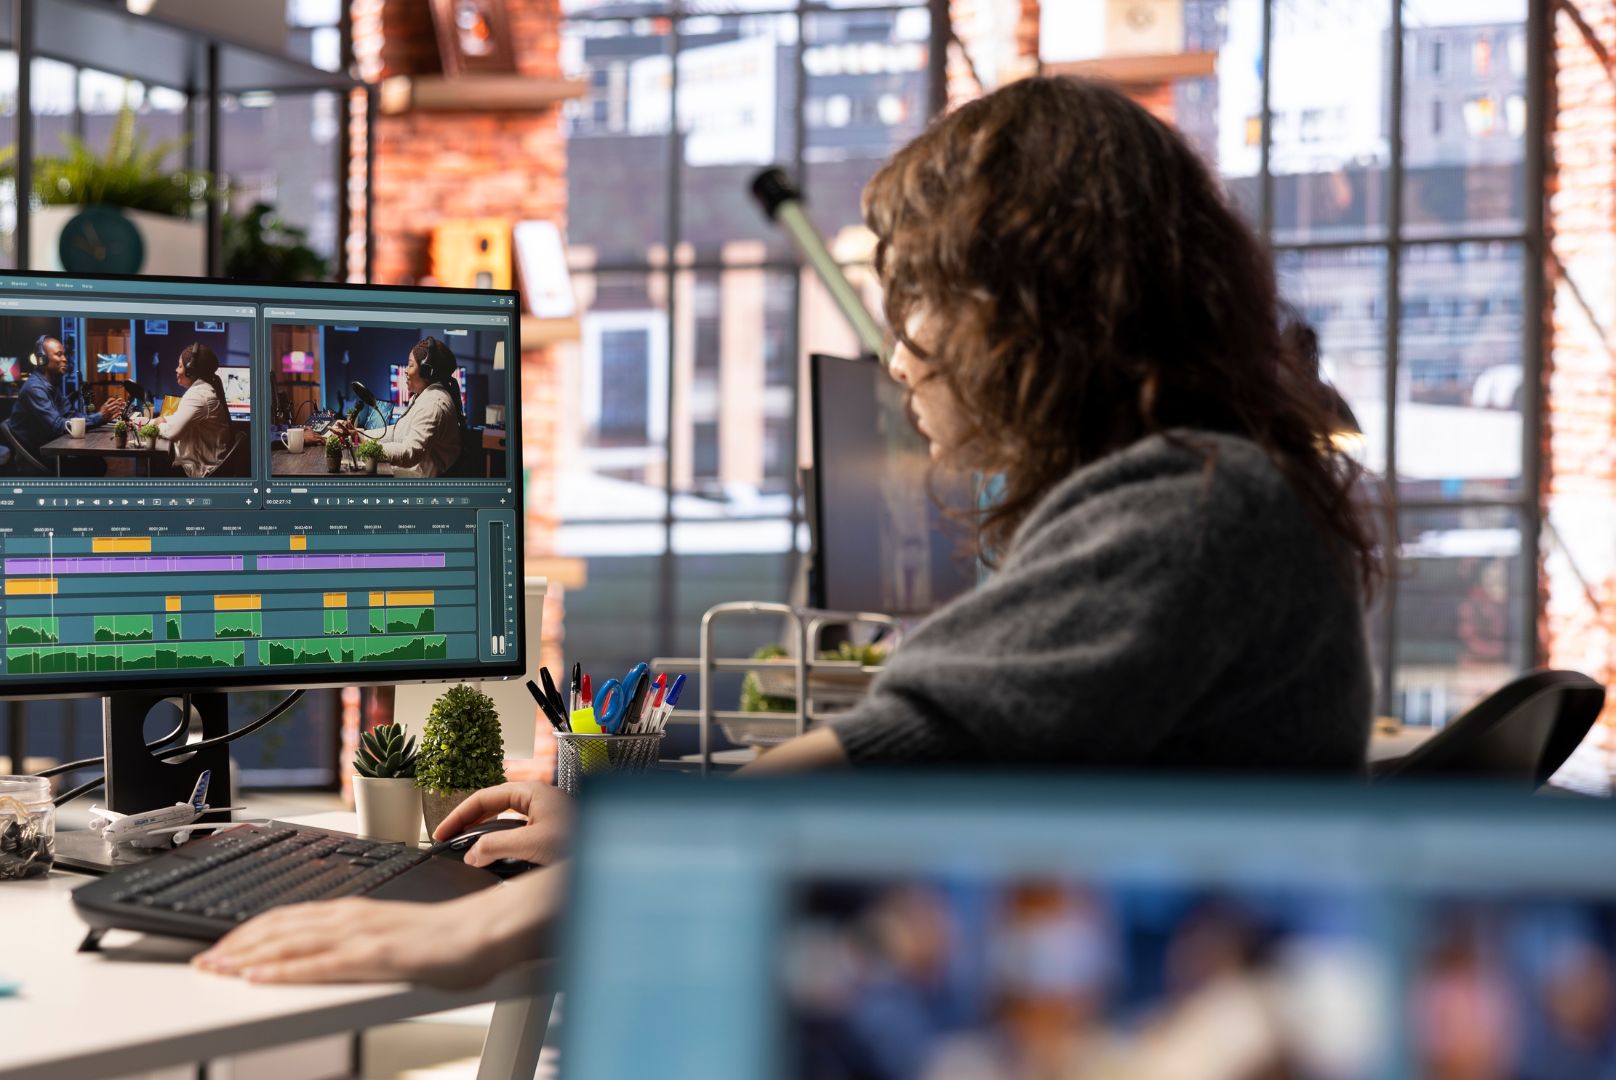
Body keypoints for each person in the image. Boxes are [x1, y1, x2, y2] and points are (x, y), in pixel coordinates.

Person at [196, 76, 1381, 984]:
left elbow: (911, 758)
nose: (902, 353)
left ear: (1045, 316)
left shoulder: (1192, 505)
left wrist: (486, 926)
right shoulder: (1212, 489)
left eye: (929, 307)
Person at [328, 337, 463, 477]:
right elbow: (396, 432)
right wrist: (358, 435)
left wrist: (366, 447)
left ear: (426, 371)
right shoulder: (423, 397)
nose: (405, 370)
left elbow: (409, 453)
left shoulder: (433, 404)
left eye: (410, 365)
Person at [7, 335, 124, 476]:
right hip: (43, 456)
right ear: (42, 359)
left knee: (96, 462)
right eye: (59, 354)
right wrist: (98, 417)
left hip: (54, 449)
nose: (65, 359)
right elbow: (57, 426)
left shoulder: (51, 386)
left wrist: (101, 416)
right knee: (95, 465)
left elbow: (70, 414)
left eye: (64, 354)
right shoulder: (34, 389)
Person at [158, 343, 235, 477]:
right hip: (205, 467)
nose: (176, 370)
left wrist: (152, 425)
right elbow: (180, 419)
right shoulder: (202, 390)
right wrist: (161, 420)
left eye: (180, 366)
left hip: (200, 472)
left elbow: (171, 432)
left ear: (191, 370)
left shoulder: (198, 394)